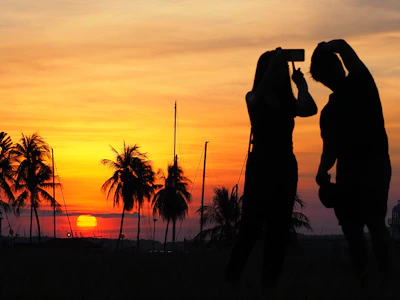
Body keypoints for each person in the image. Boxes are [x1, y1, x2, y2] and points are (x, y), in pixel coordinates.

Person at [225, 48, 317, 298]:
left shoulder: (287, 102)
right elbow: (255, 99)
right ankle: (232, 278)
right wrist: (273, 67)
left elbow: (310, 109)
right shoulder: (254, 97)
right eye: (276, 68)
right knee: (251, 225)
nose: (279, 72)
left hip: (285, 164)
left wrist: (301, 85)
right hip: (262, 163)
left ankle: (270, 283)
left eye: (280, 68)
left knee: (279, 227)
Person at [310, 39, 392, 292]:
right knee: (370, 227)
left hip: (363, 169)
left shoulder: (341, 100)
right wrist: (327, 46)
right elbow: (329, 151)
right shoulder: (362, 84)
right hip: (368, 169)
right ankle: (382, 280)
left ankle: (372, 280)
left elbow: (329, 153)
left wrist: (322, 171)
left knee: (360, 230)